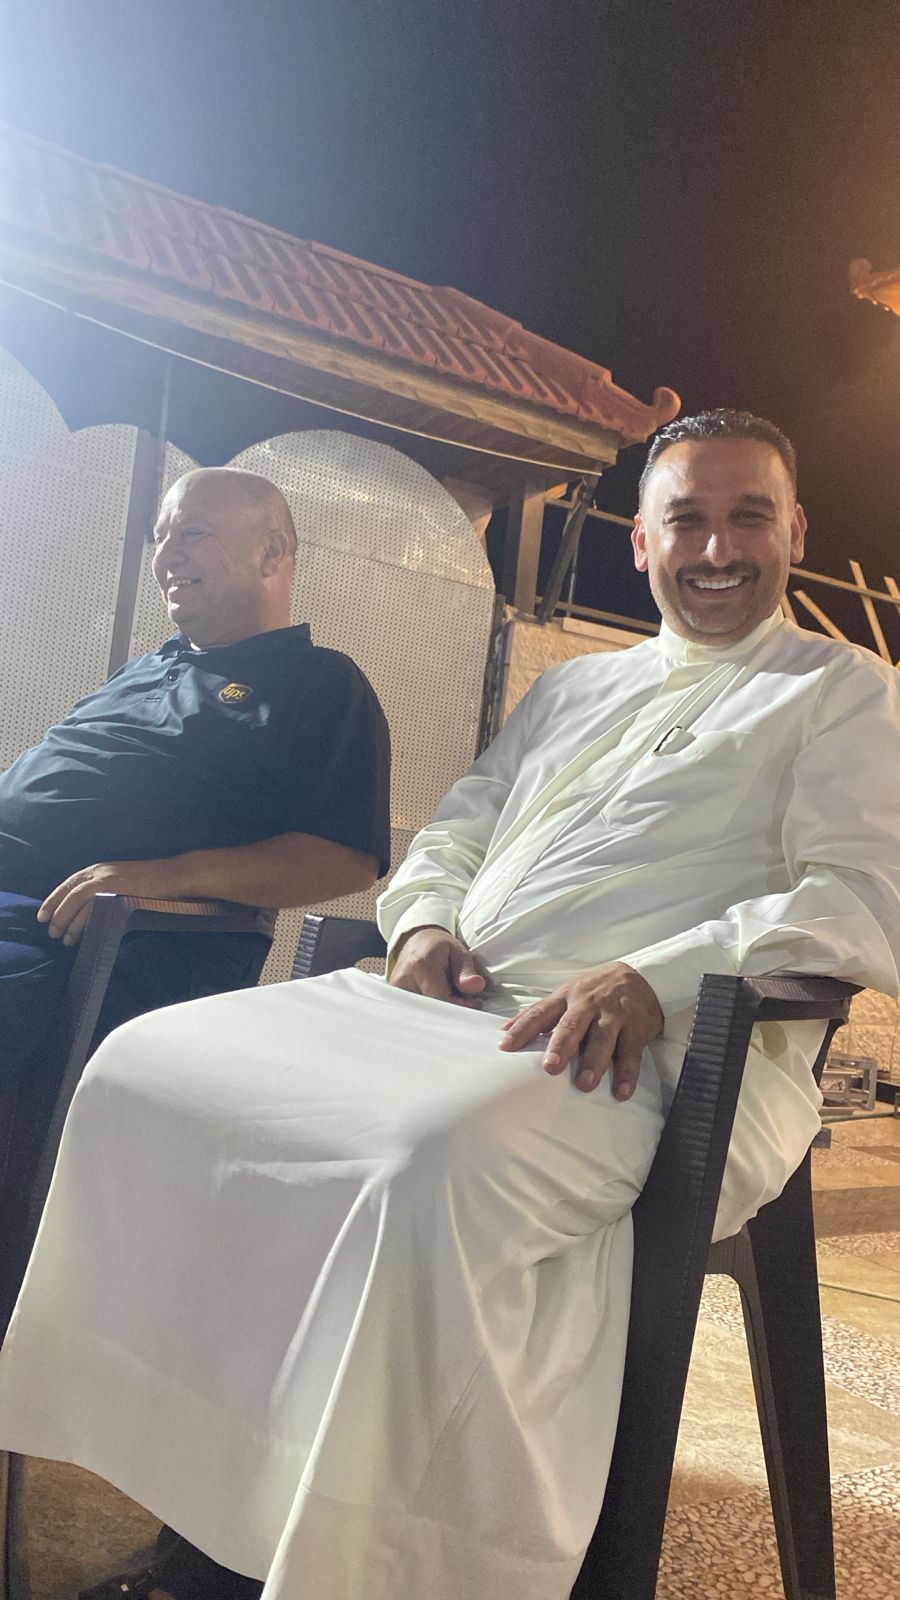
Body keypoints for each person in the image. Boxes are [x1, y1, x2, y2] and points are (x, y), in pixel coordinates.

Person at [0, 411, 897, 1600]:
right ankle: (207, 1508)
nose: (717, 547)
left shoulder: (845, 691)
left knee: (418, 1162)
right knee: (148, 1068)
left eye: (748, 518)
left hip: (656, 1049)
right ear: (642, 542)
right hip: (453, 1003)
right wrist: (422, 924)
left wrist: (656, 973)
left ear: (795, 530)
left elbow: (861, 893)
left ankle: (356, 1558)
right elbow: (456, 827)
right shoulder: (573, 686)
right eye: (687, 519)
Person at [0, 467, 391, 1075]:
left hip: (70, 932)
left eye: (193, 533)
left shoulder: (319, 683)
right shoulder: (144, 667)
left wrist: (163, 876)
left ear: (271, 552)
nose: (166, 557)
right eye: (161, 537)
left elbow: (346, 859)